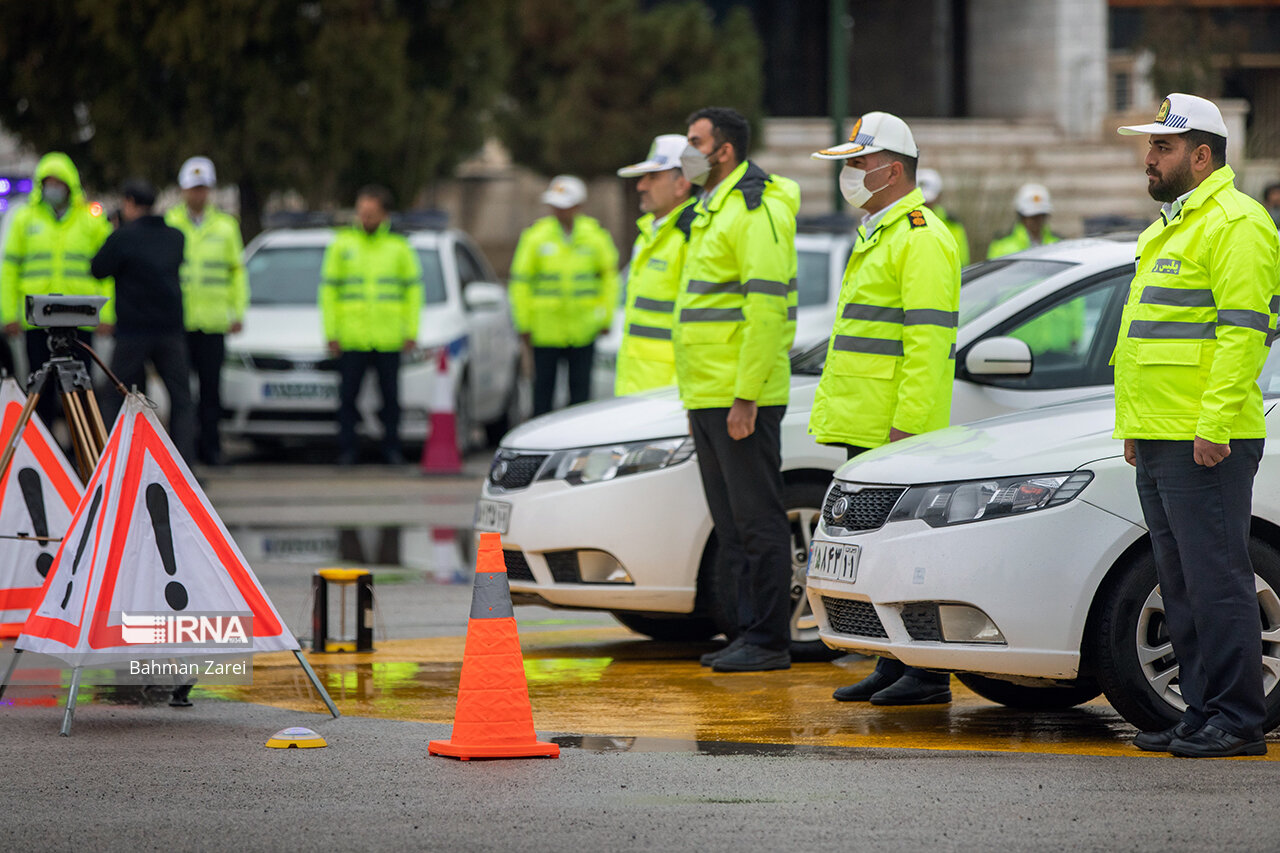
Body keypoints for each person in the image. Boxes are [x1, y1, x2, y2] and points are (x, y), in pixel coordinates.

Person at [1114, 93, 1280, 758]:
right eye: (1150, 146)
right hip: (1159, 434)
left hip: (1205, 438)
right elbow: (1144, 341)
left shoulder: (1238, 223)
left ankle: (1238, 719)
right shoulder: (1165, 228)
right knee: (1180, 583)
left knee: (1218, 580)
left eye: (1162, 147)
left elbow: (1246, 336)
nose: (1148, 158)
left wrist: (1212, 425)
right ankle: (1200, 710)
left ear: (1202, 154)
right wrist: (1134, 425)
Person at [809, 112, 962, 705]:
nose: (848, 174)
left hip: (894, 432)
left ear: (890, 169)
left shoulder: (921, 238)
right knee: (871, 554)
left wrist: (911, 432)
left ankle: (926, 675)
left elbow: (929, 348)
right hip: (864, 423)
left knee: (908, 555)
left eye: (856, 163)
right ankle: (889, 661)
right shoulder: (880, 233)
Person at [677, 107, 800, 673]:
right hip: (706, 394)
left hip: (738, 397)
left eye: (695, 141)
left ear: (723, 151)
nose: (687, 151)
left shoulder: (756, 209)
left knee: (758, 521)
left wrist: (746, 396)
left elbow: (767, 310)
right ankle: (748, 633)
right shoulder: (710, 208)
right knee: (731, 526)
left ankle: (770, 640)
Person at [0, 152, 111, 429]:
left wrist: (106, 314)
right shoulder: (24, 219)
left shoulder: (90, 220)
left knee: (80, 390)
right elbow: (9, 269)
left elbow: (107, 271)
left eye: (59, 183)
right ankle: (43, 447)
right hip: (37, 320)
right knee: (41, 389)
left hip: (80, 319)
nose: (53, 188)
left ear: (70, 184)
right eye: (48, 182)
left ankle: (82, 452)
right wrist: (7, 313)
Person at [90, 180, 195, 463]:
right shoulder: (175, 236)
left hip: (133, 331)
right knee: (181, 398)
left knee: (117, 396)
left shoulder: (124, 237)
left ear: (130, 204)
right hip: (170, 330)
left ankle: (113, 459)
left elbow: (98, 268)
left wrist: (116, 231)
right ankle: (186, 464)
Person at [319, 185, 422, 465]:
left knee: (391, 400)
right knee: (348, 399)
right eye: (361, 212)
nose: (365, 217)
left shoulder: (399, 247)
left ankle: (392, 449)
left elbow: (413, 292)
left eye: (371, 213)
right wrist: (331, 332)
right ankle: (348, 450)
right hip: (352, 336)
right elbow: (329, 292)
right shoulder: (342, 244)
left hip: (389, 336)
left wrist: (411, 330)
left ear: (385, 214)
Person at [509, 176, 618, 414]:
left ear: (578, 206)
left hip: (584, 328)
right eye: (555, 205)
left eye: (565, 205)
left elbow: (609, 280)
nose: (559, 210)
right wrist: (523, 323)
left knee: (580, 395)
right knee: (542, 393)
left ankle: (577, 447)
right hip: (545, 329)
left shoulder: (596, 237)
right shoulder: (535, 237)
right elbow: (521, 283)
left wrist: (605, 318)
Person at [165, 156, 247, 467]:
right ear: (183, 190)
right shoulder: (171, 223)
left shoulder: (226, 227)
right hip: (180, 320)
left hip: (213, 321)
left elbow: (236, 272)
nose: (197, 195)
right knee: (181, 391)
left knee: (212, 390)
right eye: (192, 189)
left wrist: (236, 312)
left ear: (209, 191)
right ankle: (180, 451)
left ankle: (212, 448)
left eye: (202, 189)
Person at [614, 134, 696, 395]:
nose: (641, 186)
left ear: (682, 184)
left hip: (670, 394)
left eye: (653, 177)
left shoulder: (692, 236)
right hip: (637, 388)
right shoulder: (650, 235)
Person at [987, 182, 1059, 258]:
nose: (1037, 221)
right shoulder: (1001, 244)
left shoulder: (1058, 243)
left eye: (1041, 216)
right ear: (1021, 216)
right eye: (1032, 217)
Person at [917, 168, 969, 266]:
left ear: (939, 196)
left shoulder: (953, 224)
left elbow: (962, 261)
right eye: (922, 200)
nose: (926, 204)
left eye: (929, 200)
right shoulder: (902, 222)